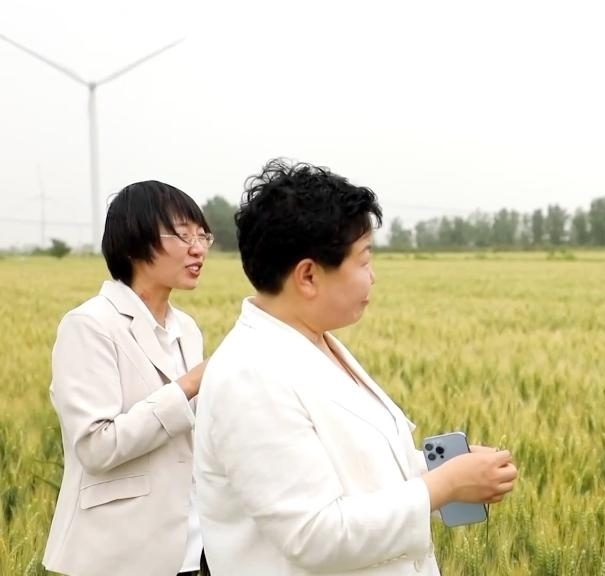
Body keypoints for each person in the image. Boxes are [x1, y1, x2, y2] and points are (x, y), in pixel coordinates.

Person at [194, 159, 518, 575]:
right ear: (308, 276)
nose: (373, 277)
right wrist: (446, 485)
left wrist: (446, 470)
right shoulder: (248, 377)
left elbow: (356, 469)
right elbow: (315, 535)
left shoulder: (313, 342)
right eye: (363, 261)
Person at [44, 181, 213, 576]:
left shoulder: (187, 329)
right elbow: (96, 447)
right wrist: (188, 386)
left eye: (203, 235)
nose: (198, 248)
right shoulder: (89, 325)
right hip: (119, 554)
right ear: (135, 242)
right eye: (183, 235)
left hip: (193, 550)